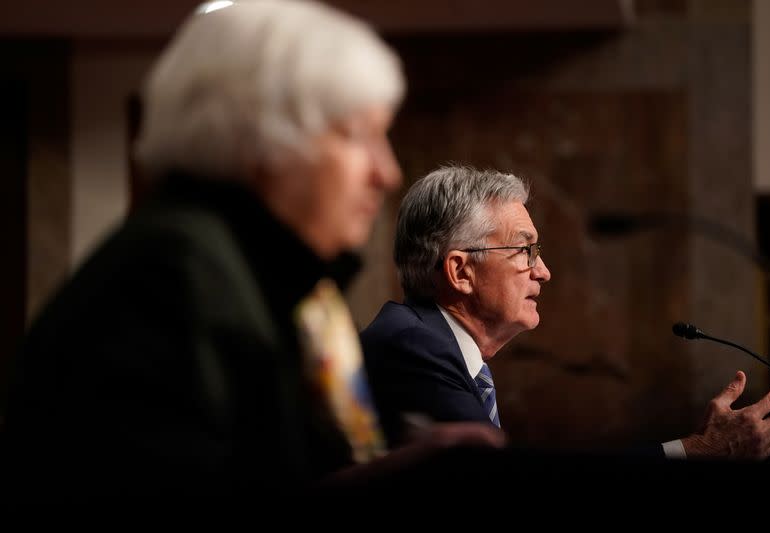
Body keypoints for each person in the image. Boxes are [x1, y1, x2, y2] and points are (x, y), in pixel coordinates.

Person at [1, 1, 503, 503]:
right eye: (360, 136)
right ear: (266, 143)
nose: (386, 172)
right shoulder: (174, 278)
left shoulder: (271, 278)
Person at [361, 165, 770, 460]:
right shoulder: (412, 345)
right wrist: (697, 450)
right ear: (460, 270)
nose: (544, 272)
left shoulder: (435, 347)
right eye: (524, 250)